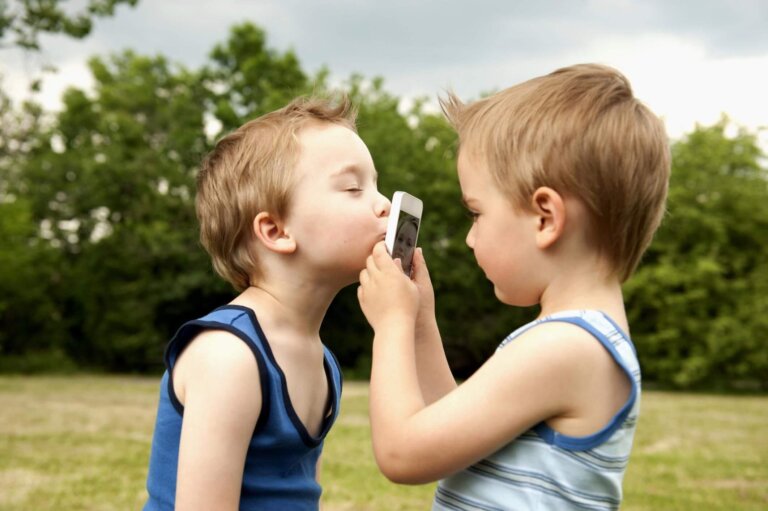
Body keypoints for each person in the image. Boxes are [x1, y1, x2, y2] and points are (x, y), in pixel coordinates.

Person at [357, 64, 670, 510]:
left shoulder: (565, 347)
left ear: (545, 218)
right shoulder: (575, 340)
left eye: (476, 213)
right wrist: (420, 322)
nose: (469, 238)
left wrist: (391, 325)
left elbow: (402, 454)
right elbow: (454, 433)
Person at [143, 96, 391, 510]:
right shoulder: (230, 356)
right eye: (353, 188)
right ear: (276, 231)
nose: (384, 203)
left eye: (376, 185)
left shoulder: (322, 359)